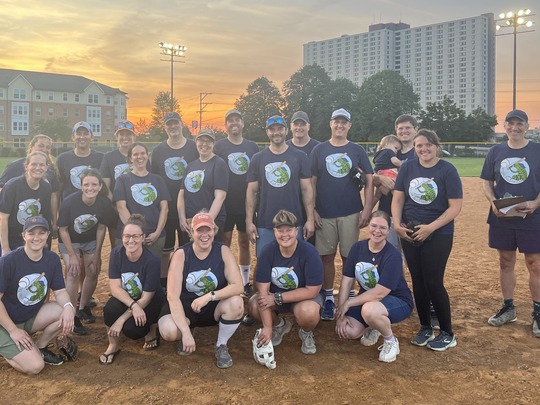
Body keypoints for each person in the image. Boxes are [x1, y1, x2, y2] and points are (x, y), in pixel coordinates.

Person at [392, 129, 462, 351]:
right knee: (418, 281)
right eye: (419, 146)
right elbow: (398, 199)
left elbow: (455, 207)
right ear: (414, 148)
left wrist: (431, 228)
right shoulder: (408, 167)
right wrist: (396, 224)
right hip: (411, 231)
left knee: (433, 281)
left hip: (438, 233)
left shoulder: (447, 170)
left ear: (436, 146)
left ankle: (447, 333)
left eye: (428, 145)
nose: (424, 149)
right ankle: (425, 327)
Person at [480, 109, 540, 337]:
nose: (515, 128)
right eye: (510, 124)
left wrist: (535, 203)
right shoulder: (496, 151)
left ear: (526, 126)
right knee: (505, 261)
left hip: (532, 216)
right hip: (502, 215)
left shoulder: (537, 150)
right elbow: (486, 181)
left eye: (520, 124)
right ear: (504, 126)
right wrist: (493, 201)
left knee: (535, 263)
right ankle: (508, 307)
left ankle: (538, 311)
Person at [310, 108, 374, 321]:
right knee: (326, 256)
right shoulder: (319, 150)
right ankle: (329, 297)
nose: (340, 126)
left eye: (344, 122)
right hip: (325, 213)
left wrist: (367, 208)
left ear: (349, 126)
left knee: (349, 257)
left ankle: (348, 297)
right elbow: (312, 182)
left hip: (350, 212)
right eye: (336, 122)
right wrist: (312, 210)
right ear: (330, 124)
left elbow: (369, 179)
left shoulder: (357, 150)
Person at [158, 212, 244, 369]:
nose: (205, 235)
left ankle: (221, 345)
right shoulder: (181, 254)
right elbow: (172, 297)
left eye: (208, 230)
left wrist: (210, 296)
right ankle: (188, 329)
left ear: (214, 230)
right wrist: (185, 332)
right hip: (185, 308)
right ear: (191, 232)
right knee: (168, 330)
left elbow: (238, 286)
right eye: (199, 230)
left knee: (237, 302)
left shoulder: (222, 251)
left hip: (212, 306)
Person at [335, 211, 414, 363]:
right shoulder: (357, 248)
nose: (377, 231)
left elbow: (379, 293)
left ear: (388, 231)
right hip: (368, 300)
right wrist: (341, 314)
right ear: (368, 226)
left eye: (383, 228)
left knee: (370, 310)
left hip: (398, 300)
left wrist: (348, 303)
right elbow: (346, 281)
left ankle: (391, 340)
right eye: (373, 226)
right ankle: (374, 325)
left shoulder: (393, 255)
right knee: (348, 331)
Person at [0, 216, 75, 374]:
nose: (36, 237)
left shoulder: (52, 259)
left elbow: (60, 291)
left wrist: (69, 307)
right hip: (4, 322)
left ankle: (40, 346)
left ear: (48, 235)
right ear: (24, 236)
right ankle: (7, 346)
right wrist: (13, 330)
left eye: (41, 233)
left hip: (27, 318)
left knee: (64, 311)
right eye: (31, 233)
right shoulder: (8, 261)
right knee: (35, 367)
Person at [248, 210, 323, 354]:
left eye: (289, 230)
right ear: (274, 232)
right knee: (253, 305)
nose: (285, 235)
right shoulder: (267, 252)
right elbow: (263, 292)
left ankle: (306, 332)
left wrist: (277, 297)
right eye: (280, 230)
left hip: (302, 297)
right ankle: (279, 325)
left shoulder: (309, 252)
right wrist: (268, 327)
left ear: (296, 230)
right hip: (273, 298)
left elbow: (312, 290)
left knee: (308, 313)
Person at [99, 214, 166, 365]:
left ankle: (151, 329)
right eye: (127, 236)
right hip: (129, 298)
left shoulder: (152, 260)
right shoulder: (116, 254)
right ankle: (113, 345)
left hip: (149, 300)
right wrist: (133, 306)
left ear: (143, 237)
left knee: (134, 331)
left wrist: (121, 319)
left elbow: (147, 297)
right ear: (121, 237)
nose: (131, 240)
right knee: (109, 310)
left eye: (136, 236)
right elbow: (115, 288)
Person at [246, 115, 314, 258]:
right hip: (265, 222)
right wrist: (249, 221)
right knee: (264, 263)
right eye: (272, 129)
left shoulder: (300, 156)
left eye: (279, 129)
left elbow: (307, 189)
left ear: (286, 130)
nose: (276, 132)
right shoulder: (258, 158)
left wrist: (310, 219)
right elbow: (251, 192)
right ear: (267, 132)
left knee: (294, 263)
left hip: (294, 221)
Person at [58, 169, 113, 335]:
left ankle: (83, 307)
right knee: (73, 272)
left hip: (90, 240)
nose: (90, 188)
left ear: (100, 186)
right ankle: (72, 313)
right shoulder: (69, 202)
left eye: (94, 184)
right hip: (70, 240)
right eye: (86, 184)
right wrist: (73, 256)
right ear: (81, 186)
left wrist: (97, 254)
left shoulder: (103, 202)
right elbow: (63, 230)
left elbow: (102, 228)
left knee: (93, 271)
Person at [214, 109, 260, 297]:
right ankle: (225, 279)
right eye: (230, 120)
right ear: (225, 125)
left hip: (246, 203)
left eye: (237, 120)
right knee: (224, 241)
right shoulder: (220, 146)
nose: (234, 123)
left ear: (242, 123)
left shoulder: (252, 146)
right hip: (224, 202)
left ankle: (244, 280)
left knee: (243, 241)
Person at [151, 112, 199, 283]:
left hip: (190, 207)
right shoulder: (158, 151)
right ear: (165, 127)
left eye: (175, 123)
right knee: (166, 249)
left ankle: (187, 279)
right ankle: (164, 282)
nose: (172, 127)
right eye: (169, 124)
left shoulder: (193, 147)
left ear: (181, 124)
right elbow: (154, 179)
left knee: (189, 247)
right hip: (166, 208)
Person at [113, 143, 171, 260]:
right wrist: (135, 235)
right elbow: (121, 208)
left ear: (147, 156)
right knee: (130, 275)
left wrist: (157, 232)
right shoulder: (122, 180)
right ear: (130, 158)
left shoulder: (157, 179)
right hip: (130, 238)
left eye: (143, 153)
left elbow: (164, 208)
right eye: (135, 154)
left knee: (152, 274)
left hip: (154, 236)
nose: (140, 157)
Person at [0, 135, 60, 232]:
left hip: (39, 222)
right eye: (41, 145)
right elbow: (2, 191)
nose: (44, 149)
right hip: (16, 223)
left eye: (48, 147)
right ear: (31, 146)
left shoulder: (50, 170)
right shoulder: (14, 166)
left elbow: (53, 196)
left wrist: (54, 222)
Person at [178, 130, 229, 242]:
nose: (204, 144)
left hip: (211, 220)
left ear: (213, 144)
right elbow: (181, 194)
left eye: (208, 141)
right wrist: (182, 218)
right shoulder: (191, 165)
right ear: (196, 142)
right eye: (201, 140)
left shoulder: (219, 163)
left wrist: (207, 221)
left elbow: (220, 196)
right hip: (190, 220)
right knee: (188, 255)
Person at [0, 151, 53, 256]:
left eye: (42, 164)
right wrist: (5, 248)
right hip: (11, 237)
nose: (38, 168)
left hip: (30, 238)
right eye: (34, 164)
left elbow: (42, 216)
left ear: (46, 167)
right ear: (26, 166)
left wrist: (42, 243)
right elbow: (3, 218)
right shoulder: (12, 186)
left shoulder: (46, 188)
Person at [100, 120, 138, 247]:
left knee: (137, 242)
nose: (125, 137)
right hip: (115, 209)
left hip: (137, 205)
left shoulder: (140, 155)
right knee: (118, 245)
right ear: (116, 137)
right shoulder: (109, 157)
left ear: (134, 136)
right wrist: (116, 204)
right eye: (121, 134)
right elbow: (105, 185)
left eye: (129, 134)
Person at [56, 121, 104, 199]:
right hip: (70, 206)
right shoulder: (63, 158)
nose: (82, 137)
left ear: (91, 136)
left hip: (94, 205)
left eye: (85, 133)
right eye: (78, 134)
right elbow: (59, 187)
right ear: (73, 137)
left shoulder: (101, 158)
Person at [373, 135, 403, 205]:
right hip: (389, 173)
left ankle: (367, 210)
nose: (396, 151)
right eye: (395, 148)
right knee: (395, 191)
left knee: (377, 195)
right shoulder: (389, 151)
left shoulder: (377, 154)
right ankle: (399, 205)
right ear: (387, 144)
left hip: (379, 173)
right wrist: (403, 164)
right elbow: (395, 161)